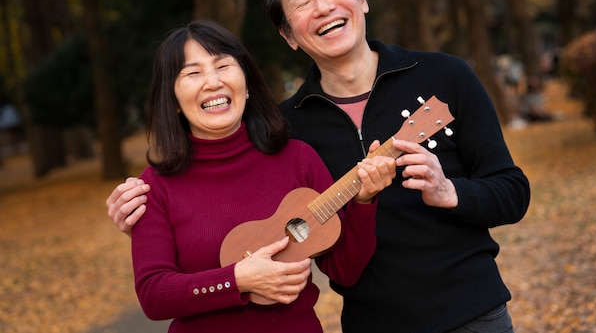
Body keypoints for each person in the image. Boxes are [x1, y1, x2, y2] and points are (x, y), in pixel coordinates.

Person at [108, 0, 531, 333]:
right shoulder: (287, 129)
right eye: (302, 2)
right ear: (288, 34)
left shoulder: (444, 77)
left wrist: (450, 192)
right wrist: (149, 221)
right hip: (372, 324)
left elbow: (512, 191)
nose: (323, 7)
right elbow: (222, 212)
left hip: (473, 312)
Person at [120, 19, 395, 333]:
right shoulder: (154, 186)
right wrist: (237, 280)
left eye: (223, 66)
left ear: (246, 82)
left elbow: (345, 271)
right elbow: (155, 296)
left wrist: (365, 201)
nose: (213, 82)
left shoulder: (298, 159)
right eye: (193, 73)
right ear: (173, 98)